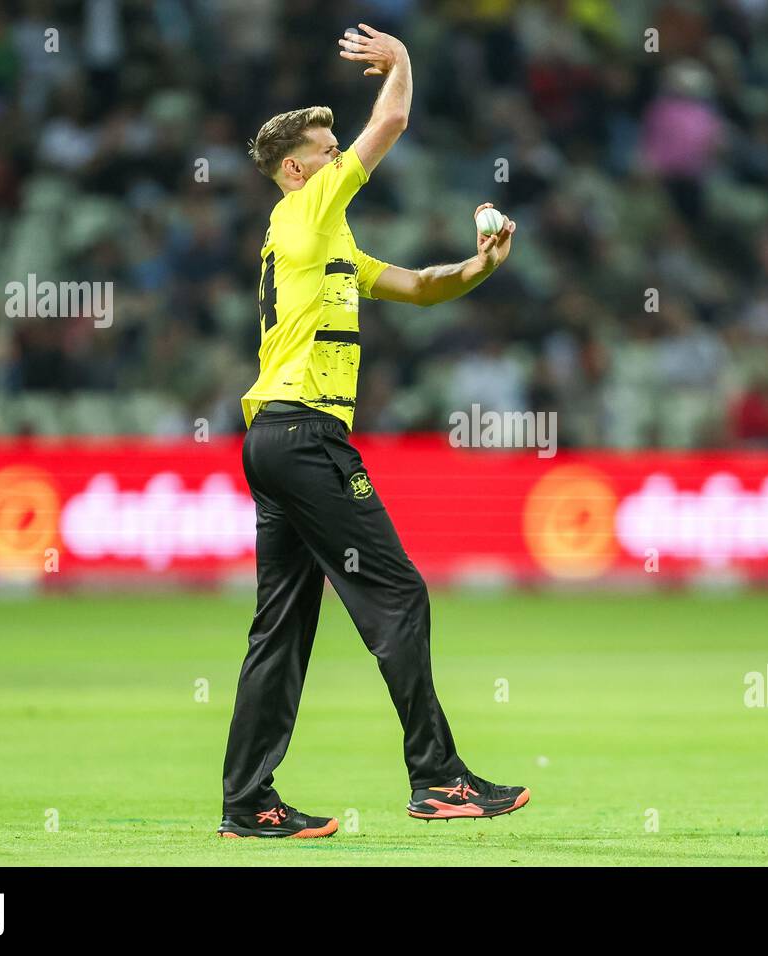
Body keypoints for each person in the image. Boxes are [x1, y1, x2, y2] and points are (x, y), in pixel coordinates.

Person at [218, 24, 528, 838]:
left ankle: (248, 802)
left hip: (275, 441)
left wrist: (482, 266)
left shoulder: (325, 243)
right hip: (306, 436)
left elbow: (422, 287)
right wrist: (404, 64)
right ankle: (439, 778)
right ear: (295, 169)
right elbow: (387, 127)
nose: (336, 158)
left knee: (280, 627)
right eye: (324, 150)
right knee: (398, 592)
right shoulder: (304, 212)